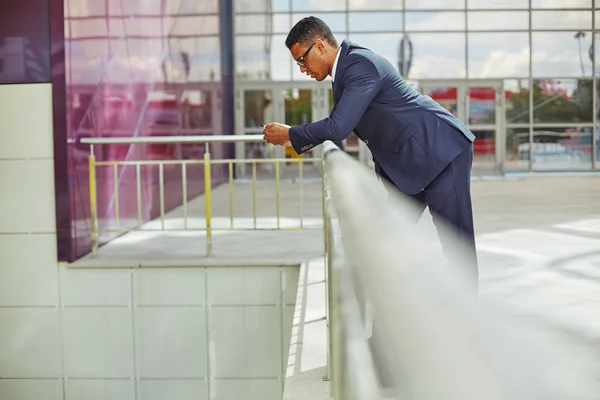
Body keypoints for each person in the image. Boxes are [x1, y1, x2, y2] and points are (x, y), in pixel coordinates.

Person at [263, 15, 479, 389]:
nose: (301, 70)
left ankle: (468, 344)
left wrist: (291, 134)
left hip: (443, 153)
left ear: (320, 46)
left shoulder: (360, 65)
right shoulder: (344, 73)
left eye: (302, 60)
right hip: (408, 170)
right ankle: (387, 353)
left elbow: (337, 128)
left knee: (458, 252)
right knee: (385, 248)